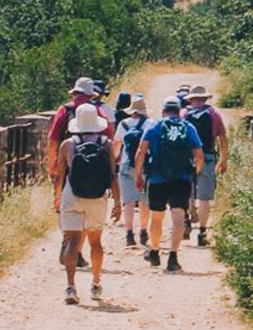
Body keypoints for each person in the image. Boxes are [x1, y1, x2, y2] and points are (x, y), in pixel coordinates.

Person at [132, 95, 204, 273]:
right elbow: (199, 155)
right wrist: (195, 172)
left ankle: (155, 251)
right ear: (179, 111)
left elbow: (141, 151)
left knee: (157, 217)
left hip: (158, 178)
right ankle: (173, 257)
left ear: (163, 111)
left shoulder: (154, 126)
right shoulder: (188, 127)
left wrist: (138, 176)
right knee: (178, 217)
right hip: (182, 178)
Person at [53, 104, 117, 303]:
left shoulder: (67, 145)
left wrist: (56, 197)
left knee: (72, 241)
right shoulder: (107, 144)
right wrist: (118, 202)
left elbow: (59, 175)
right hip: (97, 197)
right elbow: (113, 175)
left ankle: (71, 287)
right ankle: (96, 283)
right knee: (95, 241)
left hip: (73, 195)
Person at [180, 84, 227, 246]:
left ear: (191, 99)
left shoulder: (184, 113)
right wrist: (224, 159)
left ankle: (186, 220)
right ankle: (202, 232)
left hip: (188, 157)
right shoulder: (213, 115)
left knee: (187, 191)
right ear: (206, 99)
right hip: (207, 156)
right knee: (205, 198)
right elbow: (222, 137)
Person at [114, 96, 150, 247]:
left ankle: (129, 233)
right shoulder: (150, 123)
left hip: (126, 164)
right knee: (144, 200)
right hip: (145, 166)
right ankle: (143, 231)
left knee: (128, 201)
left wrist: (116, 160)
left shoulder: (124, 124)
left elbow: (116, 145)